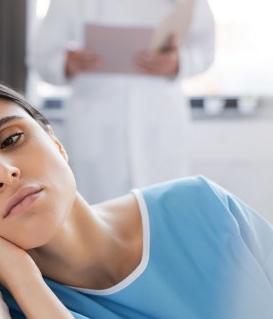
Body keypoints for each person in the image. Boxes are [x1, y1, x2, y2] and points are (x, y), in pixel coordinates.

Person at [0, 79, 273, 319]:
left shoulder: (204, 207)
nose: (4, 174)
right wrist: (24, 282)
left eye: (11, 140)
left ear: (55, 141)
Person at [31, 0, 216, 203]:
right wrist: (66, 63)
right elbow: (41, 58)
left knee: (163, 214)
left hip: (159, 122)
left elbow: (206, 48)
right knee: (100, 216)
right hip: (97, 126)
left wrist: (178, 62)